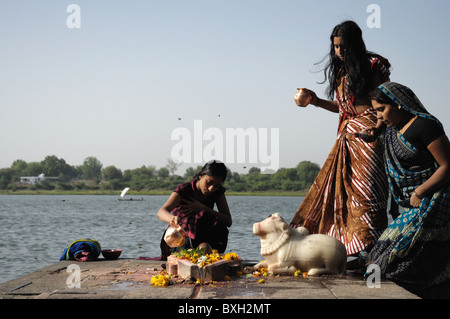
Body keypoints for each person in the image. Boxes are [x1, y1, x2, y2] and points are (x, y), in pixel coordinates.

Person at [290, 21, 391, 257]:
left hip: (369, 138)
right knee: (344, 197)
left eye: (343, 46)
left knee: (368, 194)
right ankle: (348, 249)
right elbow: (342, 108)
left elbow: (384, 101)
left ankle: (373, 250)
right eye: (335, 47)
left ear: (355, 44)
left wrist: (376, 129)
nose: (339, 51)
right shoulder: (341, 72)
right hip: (346, 137)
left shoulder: (374, 66)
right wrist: (315, 101)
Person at [363, 82, 450, 298]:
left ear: (399, 103)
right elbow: (381, 127)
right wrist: (374, 132)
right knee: (375, 257)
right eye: (375, 112)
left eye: (381, 110)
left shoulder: (425, 125)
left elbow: (447, 166)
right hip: (414, 202)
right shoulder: (393, 129)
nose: (379, 117)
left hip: (437, 198)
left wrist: (419, 192)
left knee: (394, 262)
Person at [157, 160, 232, 260]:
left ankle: (209, 256)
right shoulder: (184, 189)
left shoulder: (217, 192)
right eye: (209, 182)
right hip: (182, 237)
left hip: (205, 236)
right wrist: (172, 218)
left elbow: (228, 221)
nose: (211, 188)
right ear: (201, 175)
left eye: (217, 185)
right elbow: (161, 211)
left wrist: (203, 208)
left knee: (220, 227)